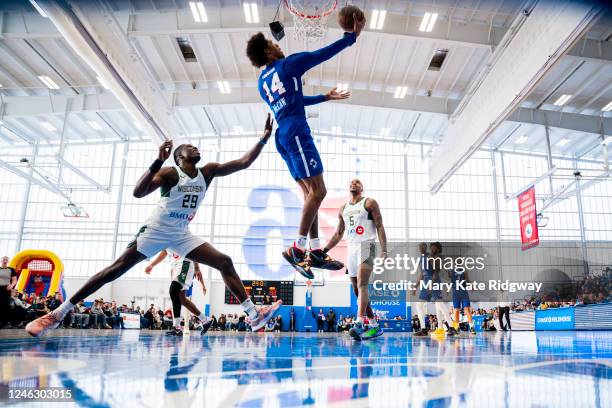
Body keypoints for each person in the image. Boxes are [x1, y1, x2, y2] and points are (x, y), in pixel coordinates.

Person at [25, 115, 281, 337]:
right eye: (189, 146)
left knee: (224, 261)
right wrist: (157, 161)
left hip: (181, 233)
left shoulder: (208, 171)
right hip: (156, 230)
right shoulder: (171, 172)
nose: (195, 147)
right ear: (179, 157)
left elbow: (244, 162)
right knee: (114, 271)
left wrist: (263, 138)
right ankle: (57, 314)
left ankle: (253, 314)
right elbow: (138, 192)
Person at [246, 16, 365, 279]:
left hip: (283, 135)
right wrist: (351, 37)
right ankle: (298, 250)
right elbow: (320, 54)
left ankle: (314, 250)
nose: (278, 46)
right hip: (296, 131)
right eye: (272, 44)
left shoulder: (262, 82)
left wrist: (325, 96)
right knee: (319, 190)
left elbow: (294, 100)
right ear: (268, 51)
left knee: (310, 194)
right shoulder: (287, 65)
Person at [324, 179, 387, 341]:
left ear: (362, 188)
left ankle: (359, 323)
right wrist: (324, 250)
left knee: (362, 284)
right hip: (351, 248)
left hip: (367, 245)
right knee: (356, 291)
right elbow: (338, 234)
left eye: (357, 182)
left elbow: (380, 226)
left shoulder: (369, 203)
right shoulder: (343, 208)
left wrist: (384, 249)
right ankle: (374, 325)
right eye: (351, 182)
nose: (353, 183)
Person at [145, 249, 212, 336]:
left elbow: (192, 248)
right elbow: (165, 252)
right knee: (182, 300)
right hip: (176, 267)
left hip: (185, 263)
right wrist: (151, 265)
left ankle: (177, 327)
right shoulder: (165, 241)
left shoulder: (177, 236)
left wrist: (197, 267)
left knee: (173, 291)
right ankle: (205, 320)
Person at [449, 268, 476, 335]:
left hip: (463, 291)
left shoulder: (465, 270)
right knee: (456, 310)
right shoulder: (451, 270)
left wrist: (471, 286)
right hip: (455, 292)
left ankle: (471, 327)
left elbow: (467, 279)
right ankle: (457, 327)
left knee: (467, 309)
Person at [0, 256, 17, 328]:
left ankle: (4, 322)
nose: (5, 261)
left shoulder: (11, 270)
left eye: (6, 260)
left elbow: (14, 280)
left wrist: (12, 285)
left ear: (8, 261)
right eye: (4, 259)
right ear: (1, 260)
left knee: (5, 305)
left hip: (6, 288)